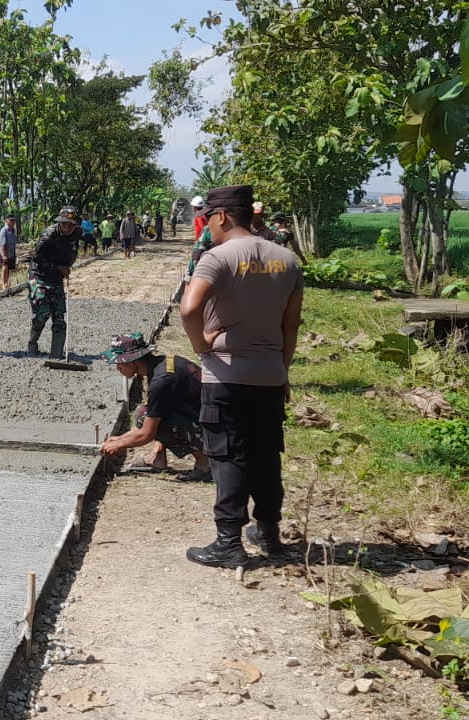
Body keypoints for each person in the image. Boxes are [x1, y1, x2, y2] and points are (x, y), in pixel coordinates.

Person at [179, 184, 304, 568]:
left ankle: (228, 542)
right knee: (266, 453)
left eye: (209, 219)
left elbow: (189, 308)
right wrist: (283, 371)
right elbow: (291, 325)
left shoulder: (217, 258)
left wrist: (201, 346)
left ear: (221, 217)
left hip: (227, 375)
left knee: (228, 454)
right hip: (269, 374)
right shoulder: (288, 260)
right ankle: (268, 532)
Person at [99, 333, 210, 479]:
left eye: (119, 363)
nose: (117, 368)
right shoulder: (163, 363)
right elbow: (157, 412)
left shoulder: (161, 382)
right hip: (203, 415)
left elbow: (147, 434)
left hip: (214, 428)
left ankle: (206, 462)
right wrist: (119, 439)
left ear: (133, 361)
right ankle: (158, 457)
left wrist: (119, 445)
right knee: (146, 413)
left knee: (150, 417)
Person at [26, 206, 82, 358]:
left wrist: (68, 267)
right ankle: (32, 346)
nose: (67, 227)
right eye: (64, 224)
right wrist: (58, 267)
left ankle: (56, 354)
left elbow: (74, 252)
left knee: (59, 317)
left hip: (57, 279)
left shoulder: (77, 234)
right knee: (42, 313)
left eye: (71, 224)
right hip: (39, 276)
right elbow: (36, 258)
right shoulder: (48, 235)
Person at [0, 215, 19, 290]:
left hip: (11, 253)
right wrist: (4, 255)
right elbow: (2, 244)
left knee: (9, 269)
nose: (13, 222)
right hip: (5, 253)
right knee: (4, 268)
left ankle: (6, 283)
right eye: (11, 221)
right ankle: (3, 285)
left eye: (13, 221)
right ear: (6, 221)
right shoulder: (4, 230)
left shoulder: (13, 230)